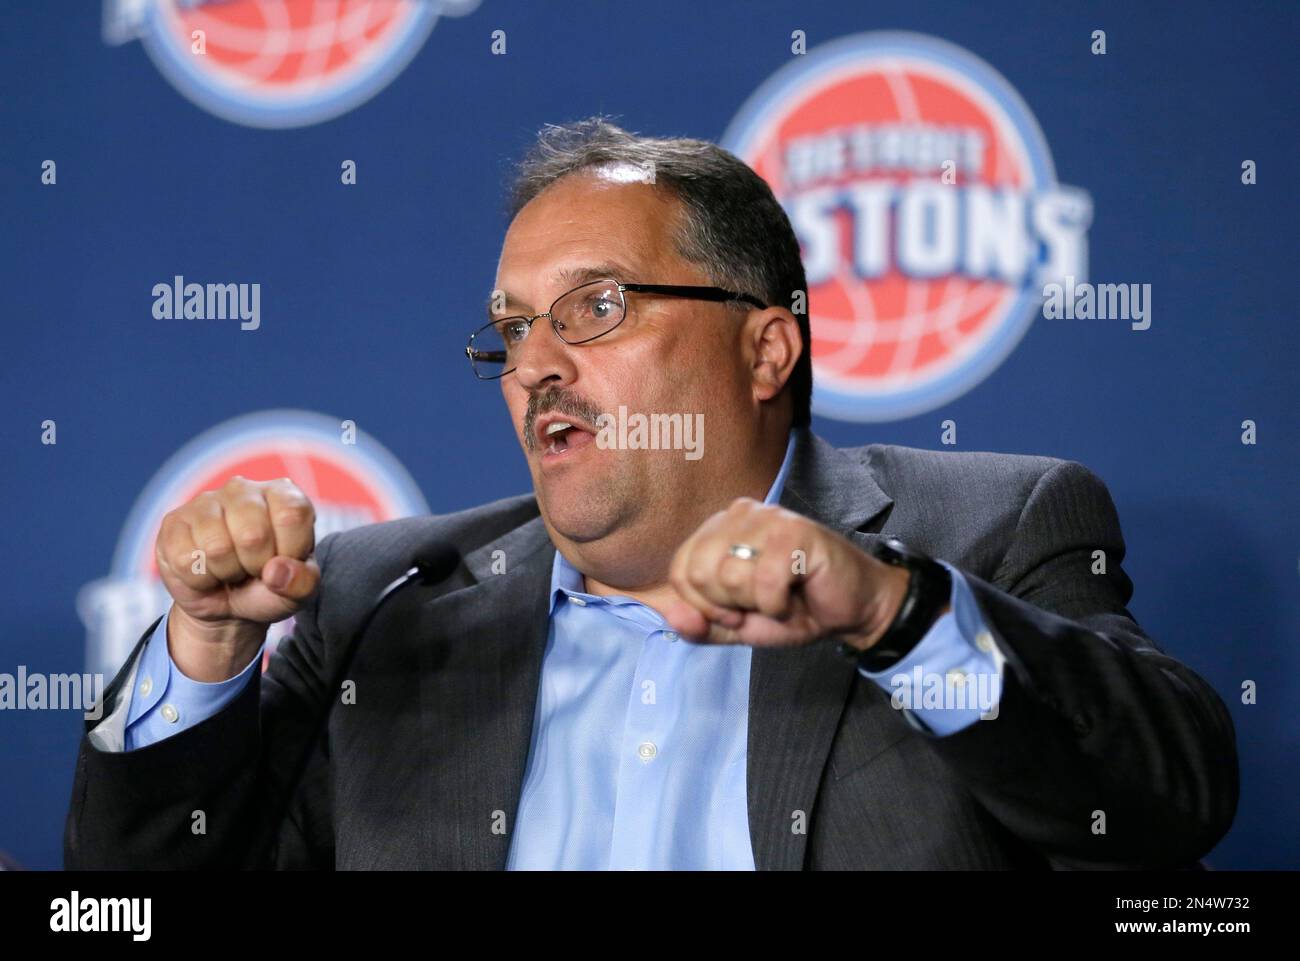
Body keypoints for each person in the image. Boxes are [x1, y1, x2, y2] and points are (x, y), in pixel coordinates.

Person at [65, 118, 1237, 870]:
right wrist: (205, 648)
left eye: (597, 307)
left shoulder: (984, 531)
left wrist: (890, 614)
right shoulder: (382, 602)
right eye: (513, 328)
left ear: (765, 350)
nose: (535, 363)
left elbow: (1164, 806)